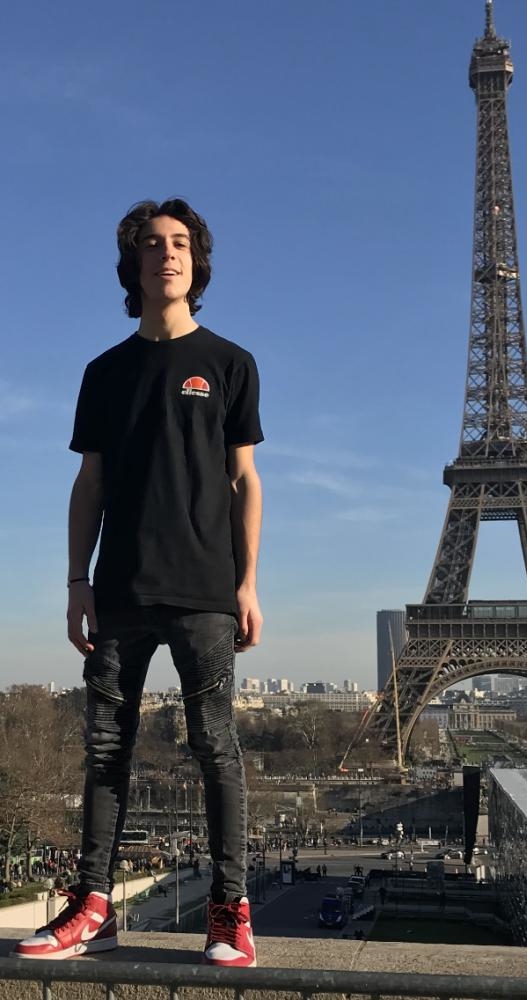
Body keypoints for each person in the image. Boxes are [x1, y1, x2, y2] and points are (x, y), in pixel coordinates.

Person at [14, 198, 263, 968]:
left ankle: (228, 910)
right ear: (134, 264)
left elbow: (243, 481)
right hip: (118, 589)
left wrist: (247, 583)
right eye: (152, 243)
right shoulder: (105, 372)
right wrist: (75, 580)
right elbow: (88, 484)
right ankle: (94, 906)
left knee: (214, 745)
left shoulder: (230, 363)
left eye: (180, 242)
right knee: (104, 752)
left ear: (197, 260)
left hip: (205, 591)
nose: (167, 253)